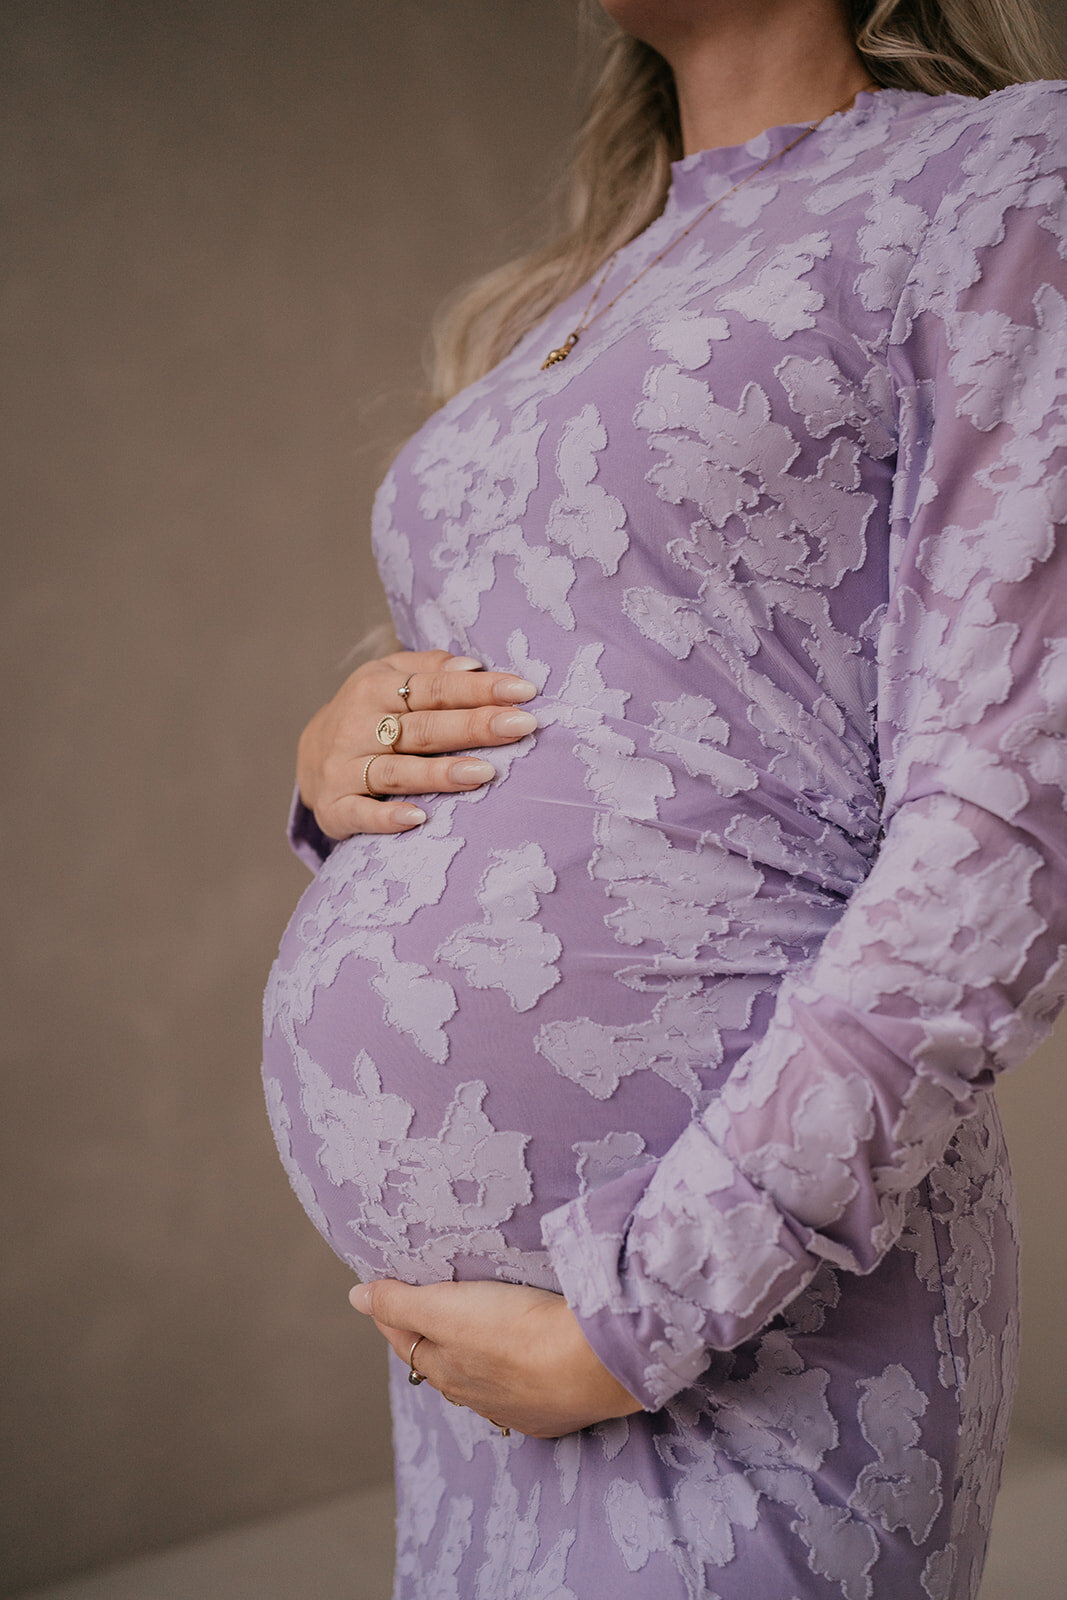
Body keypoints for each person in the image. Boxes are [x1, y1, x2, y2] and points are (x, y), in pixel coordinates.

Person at [262, 1, 1067, 1594]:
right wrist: (342, 749)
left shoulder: (1004, 174)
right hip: (489, 1369)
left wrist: (645, 1311)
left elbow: (1010, 818)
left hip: (739, 1320)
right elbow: (631, 696)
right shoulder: (599, 282)